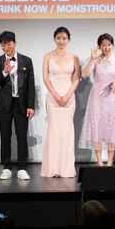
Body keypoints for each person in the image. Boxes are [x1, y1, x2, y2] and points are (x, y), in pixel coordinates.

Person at [0, 31, 35, 180]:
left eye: (9, 43)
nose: (6, 47)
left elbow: (30, 85)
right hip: (4, 104)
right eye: (3, 44)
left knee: (22, 137)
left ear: (15, 43)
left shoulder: (26, 61)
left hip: (21, 104)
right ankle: (6, 167)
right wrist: (4, 72)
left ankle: (22, 168)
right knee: (5, 137)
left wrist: (31, 105)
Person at [78, 33, 115, 167]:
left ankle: (110, 162)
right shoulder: (95, 60)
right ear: (99, 46)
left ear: (113, 45)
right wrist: (92, 59)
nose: (106, 48)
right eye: (103, 45)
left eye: (109, 45)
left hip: (112, 98)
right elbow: (84, 74)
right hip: (96, 98)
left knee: (112, 127)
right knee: (96, 126)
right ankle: (99, 162)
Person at [40, 26, 80, 178]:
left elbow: (76, 79)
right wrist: (55, 95)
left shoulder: (74, 57)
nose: (61, 41)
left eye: (64, 38)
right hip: (53, 97)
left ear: (68, 39)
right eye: (58, 38)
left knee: (67, 132)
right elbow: (46, 78)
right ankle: (53, 169)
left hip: (69, 98)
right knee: (54, 132)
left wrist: (68, 95)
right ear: (54, 39)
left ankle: (66, 168)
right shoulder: (47, 56)